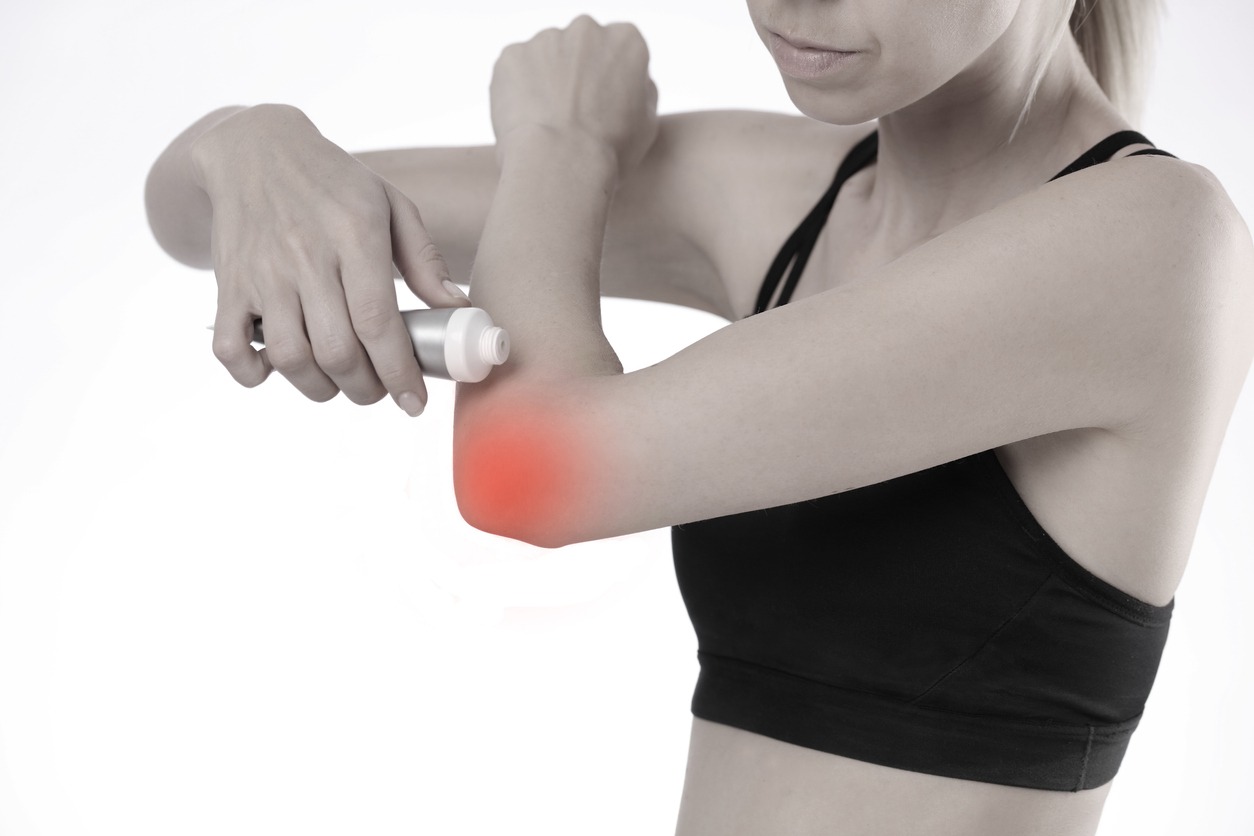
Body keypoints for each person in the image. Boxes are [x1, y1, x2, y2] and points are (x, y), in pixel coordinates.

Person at [145, 1, 1254, 834]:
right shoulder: (783, 194)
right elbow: (197, 221)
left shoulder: (1153, 240)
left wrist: (564, 148)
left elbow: (530, 472)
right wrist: (250, 142)